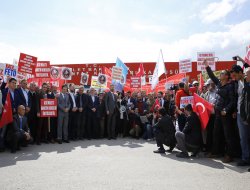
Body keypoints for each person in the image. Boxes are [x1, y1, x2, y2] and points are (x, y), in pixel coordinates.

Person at [205, 60, 236, 163]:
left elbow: (232, 101)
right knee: (216, 133)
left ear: (227, 76)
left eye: (222, 73)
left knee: (228, 135)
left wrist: (226, 110)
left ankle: (229, 155)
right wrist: (207, 66)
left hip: (224, 114)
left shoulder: (230, 86)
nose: (220, 74)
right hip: (218, 113)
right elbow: (212, 76)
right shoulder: (218, 84)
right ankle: (216, 151)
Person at [231, 65, 250, 166]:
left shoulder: (248, 81)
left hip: (248, 113)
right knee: (243, 138)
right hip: (239, 114)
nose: (234, 77)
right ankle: (245, 158)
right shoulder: (236, 83)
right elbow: (236, 98)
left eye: (235, 75)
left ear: (240, 73)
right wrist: (235, 110)